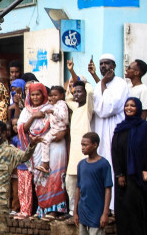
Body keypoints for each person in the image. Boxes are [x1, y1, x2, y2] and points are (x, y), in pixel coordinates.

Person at [110, 97, 147, 235]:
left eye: (132, 106)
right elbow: (115, 153)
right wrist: (119, 174)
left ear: (138, 108)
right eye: (127, 106)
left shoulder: (144, 127)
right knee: (122, 209)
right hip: (122, 177)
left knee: (137, 209)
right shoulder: (120, 128)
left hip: (138, 177)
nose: (129, 108)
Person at [18, 83, 68, 219]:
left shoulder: (51, 107)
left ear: (43, 95)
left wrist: (63, 132)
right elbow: (22, 129)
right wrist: (34, 116)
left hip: (52, 146)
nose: (35, 97)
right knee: (39, 180)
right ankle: (42, 210)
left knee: (54, 176)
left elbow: (62, 123)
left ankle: (55, 209)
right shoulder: (26, 111)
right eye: (32, 94)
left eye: (38, 94)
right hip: (35, 149)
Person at [73, 132, 115, 235]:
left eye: (86, 144)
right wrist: (75, 211)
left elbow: (107, 189)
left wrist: (105, 212)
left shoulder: (104, 165)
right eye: (82, 144)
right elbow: (79, 188)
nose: (83, 147)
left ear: (95, 145)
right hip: (83, 212)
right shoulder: (81, 165)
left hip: (96, 213)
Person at [90, 53, 129, 212]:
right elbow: (96, 109)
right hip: (100, 130)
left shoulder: (121, 84)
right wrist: (102, 83)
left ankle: (113, 206)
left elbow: (107, 108)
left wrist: (104, 83)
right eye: (101, 64)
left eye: (107, 63)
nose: (103, 66)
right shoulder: (98, 85)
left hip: (114, 131)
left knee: (113, 165)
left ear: (114, 66)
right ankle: (102, 204)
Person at [65, 64, 94, 217]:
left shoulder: (87, 108)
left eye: (79, 92)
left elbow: (90, 92)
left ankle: (85, 209)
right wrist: (71, 74)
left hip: (84, 152)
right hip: (74, 152)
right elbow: (68, 96)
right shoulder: (75, 108)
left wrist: (84, 80)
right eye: (75, 92)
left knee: (85, 183)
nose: (76, 95)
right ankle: (72, 209)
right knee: (70, 182)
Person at [36, 86, 69, 174]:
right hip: (54, 129)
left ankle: (45, 164)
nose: (53, 97)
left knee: (45, 141)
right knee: (44, 140)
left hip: (59, 129)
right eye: (51, 95)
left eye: (55, 95)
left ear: (62, 95)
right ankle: (45, 164)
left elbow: (64, 117)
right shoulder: (55, 105)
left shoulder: (62, 104)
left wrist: (53, 112)